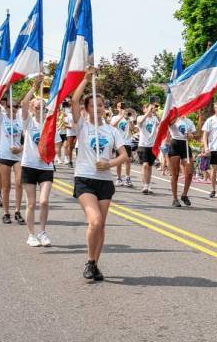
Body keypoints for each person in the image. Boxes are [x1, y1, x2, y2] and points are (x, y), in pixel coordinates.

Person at [71, 67, 128, 280]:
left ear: (105, 108)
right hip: (85, 178)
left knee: (101, 225)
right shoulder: (81, 126)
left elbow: (124, 156)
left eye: (101, 105)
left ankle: (95, 263)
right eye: (93, 105)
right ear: (87, 109)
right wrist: (86, 80)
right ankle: (89, 260)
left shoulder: (113, 131)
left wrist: (109, 163)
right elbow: (74, 100)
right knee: (94, 221)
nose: (98, 108)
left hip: (105, 181)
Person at [20, 76, 61, 247]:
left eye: (43, 107)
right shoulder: (28, 122)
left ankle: (42, 232)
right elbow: (23, 103)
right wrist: (35, 86)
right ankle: (31, 235)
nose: (40, 110)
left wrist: (51, 154)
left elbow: (57, 144)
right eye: (37, 107)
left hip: (45, 166)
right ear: (33, 109)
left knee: (43, 201)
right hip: (29, 165)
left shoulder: (50, 125)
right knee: (31, 203)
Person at [0, 101, 25, 224]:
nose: (12, 109)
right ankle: (6, 213)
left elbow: (27, 140)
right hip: (4, 155)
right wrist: (4, 87)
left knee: (19, 183)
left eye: (15, 107)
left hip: (18, 156)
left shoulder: (21, 121)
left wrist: (20, 149)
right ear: (6, 108)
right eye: (10, 107)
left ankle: (18, 211)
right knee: (6, 186)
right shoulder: (2, 118)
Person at [168, 114, 197, 207]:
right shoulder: (174, 119)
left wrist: (191, 135)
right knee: (175, 174)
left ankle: (184, 195)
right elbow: (169, 124)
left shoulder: (189, 121)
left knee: (189, 172)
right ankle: (175, 198)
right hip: (175, 144)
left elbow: (195, 135)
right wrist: (176, 117)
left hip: (185, 145)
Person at [136, 103, 160, 194]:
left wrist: (155, 113)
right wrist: (148, 112)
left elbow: (162, 122)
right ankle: (145, 185)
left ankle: (148, 185)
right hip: (143, 145)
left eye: (151, 108)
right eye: (148, 108)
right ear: (144, 109)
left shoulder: (154, 118)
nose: (150, 110)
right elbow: (140, 122)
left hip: (152, 146)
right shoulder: (140, 117)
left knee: (149, 166)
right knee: (144, 165)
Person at [110, 102, 134, 187]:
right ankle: (119, 178)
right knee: (119, 161)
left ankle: (127, 178)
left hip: (127, 141)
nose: (121, 108)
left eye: (123, 107)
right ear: (117, 108)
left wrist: (129, 120)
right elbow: (112, 125)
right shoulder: (115, 117)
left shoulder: (128, 118)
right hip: (118, 142)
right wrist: (121, 116)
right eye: (119, 107)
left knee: (128, 160)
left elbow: (133, 129)